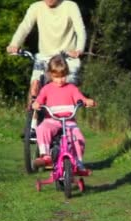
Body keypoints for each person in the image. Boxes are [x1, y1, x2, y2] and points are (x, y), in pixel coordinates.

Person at [6, 0, 87, 133]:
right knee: (35, 86)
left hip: (66, 58)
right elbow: (25, 27)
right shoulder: (36, 8)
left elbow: (80, 29)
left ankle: (67, 126)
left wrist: (79, 49)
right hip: (44, 57)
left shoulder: (70, 6)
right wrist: (14, 43)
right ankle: (32, 124)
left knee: (66, 88)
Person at [31, 55, 96, 176]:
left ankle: (78, 164)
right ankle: (45, 156)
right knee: (41, 128)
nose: (60, 80)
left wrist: (86, 101)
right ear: (50, 75)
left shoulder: (71, 88)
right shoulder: (47, 88)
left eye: (63, 76)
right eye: (56, 77)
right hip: (52, 120)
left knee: (79, 139)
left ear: (66, 74)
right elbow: (39, 99)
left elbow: (79, 98)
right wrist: (36, 103)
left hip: (69, 121)